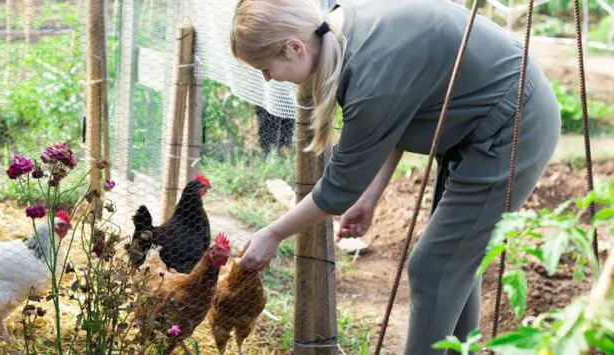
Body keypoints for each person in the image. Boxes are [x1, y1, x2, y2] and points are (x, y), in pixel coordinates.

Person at [231, 0, 561, 354]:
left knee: (434, 268)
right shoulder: (352, 28)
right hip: (483, 126)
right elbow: (398, 118)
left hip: (513, 129)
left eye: (265, 68)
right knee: (451, 263)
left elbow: (337, 190)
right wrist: (370, 196)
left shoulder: (369, 71)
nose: (268, 78)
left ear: (294, 47)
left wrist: (272, 234)